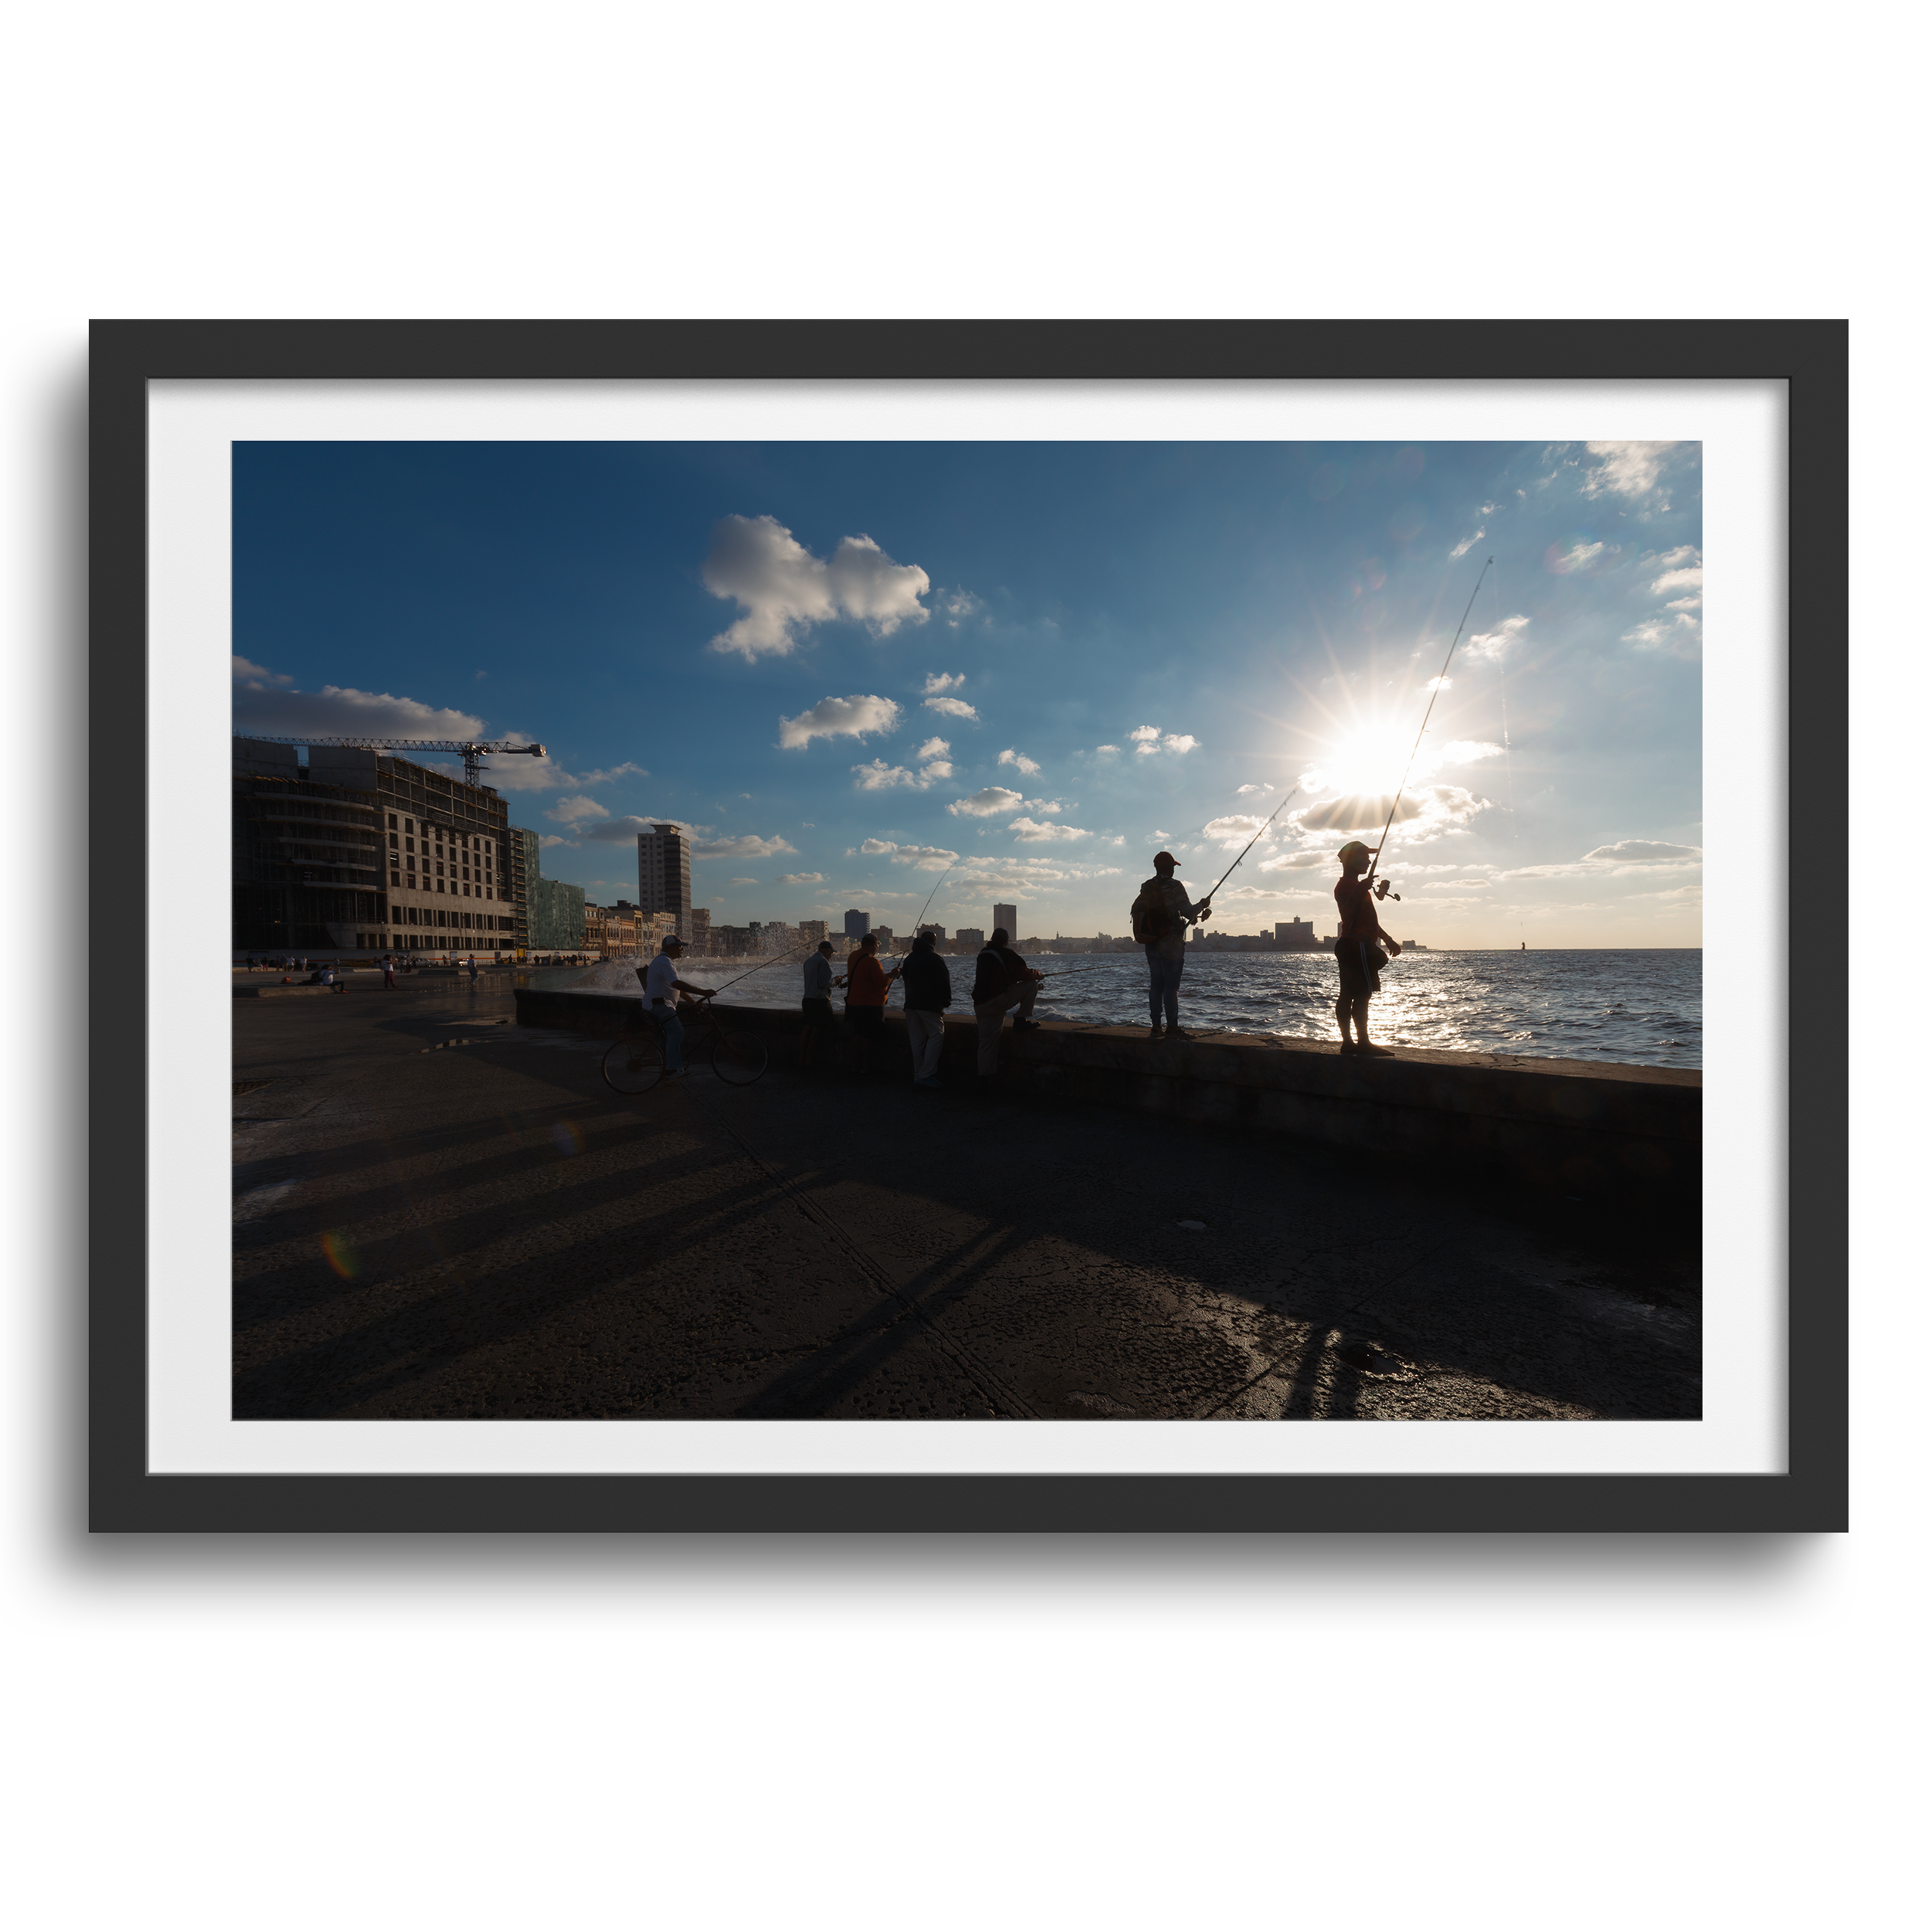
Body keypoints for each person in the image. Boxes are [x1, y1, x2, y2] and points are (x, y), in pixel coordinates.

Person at [1130, 850, 1210, 1040]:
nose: (1174, 871)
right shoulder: (1175, 886)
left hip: (1151, 943)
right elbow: (1189, 912)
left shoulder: (1147, 888)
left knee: (1156, 986)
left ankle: (1156, 1027)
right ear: (1168, 868)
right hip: (1171, 943)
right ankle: (1173, 1028)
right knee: (1171, 987)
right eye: (1173, 867)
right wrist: (1202, 904)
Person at [1333, 840, 1401, 1055]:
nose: (1369, 860)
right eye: (1364, 856)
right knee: (1361, 994)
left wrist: (1388, 938)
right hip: (1356, 944)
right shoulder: (1345, 885)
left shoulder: (1359, 887)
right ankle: (1360, 1043)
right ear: (1351, 860)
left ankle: (1351, 1043)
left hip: (1355, 944)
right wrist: (1360, 890)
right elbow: (1346, 911)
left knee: (1351, 993)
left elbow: (1370, 921)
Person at [971, 925, 1042, 1084]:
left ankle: (985, 1081)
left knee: (986, 1043)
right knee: (1032, 985)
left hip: (980, 1004)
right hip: (997, 1000)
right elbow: (1024, 974)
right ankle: (1020, 1020)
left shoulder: (983, 954)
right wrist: (1038, 975)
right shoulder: (1006, 953)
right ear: (1006, 941)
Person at [638, 932, 712, 1081]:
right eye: (680, 946)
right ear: (671, 947)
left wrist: (694, 1002)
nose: (682, 949)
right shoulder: (665, 961)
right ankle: (672, 1071)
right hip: (659, 1004)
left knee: (664, 1038)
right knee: (676, 1031)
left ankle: (665, 1071)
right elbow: (676, 984)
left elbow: (676, 989)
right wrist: (703, 992)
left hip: (655, 1004)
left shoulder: (663, 961)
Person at [836, 930, 899, 1073]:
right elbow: (881, 982)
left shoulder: (853, 956)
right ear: (873, 945)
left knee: (858, 1035)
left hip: (853, 1003)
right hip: (870, 1006)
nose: (878, 948)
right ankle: (865, 1068)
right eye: (878, 945)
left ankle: (855, 1066)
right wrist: (893, 975)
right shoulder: (873, 961)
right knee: (869, 1037)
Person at [898, 929, 953, 1088]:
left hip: (910, 1005)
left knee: (917, 1040)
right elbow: (944, 983)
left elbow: (906, 978)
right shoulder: (935, 959)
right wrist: (946, 1002)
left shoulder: (909, 959)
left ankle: (918, 1074)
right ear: (933, 943)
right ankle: (927, 1074)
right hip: (928, 1005)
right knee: (937, 1035)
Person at [798, 939, 843, 1069]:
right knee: (817, 1029)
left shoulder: (809, 961)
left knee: (807, 1028)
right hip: (819, 1001)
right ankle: (810, 1060)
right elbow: (824, 983)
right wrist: (836, 980)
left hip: (807, 999)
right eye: (831, 952)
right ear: (827, 950)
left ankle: (802, 1059)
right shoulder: (823, 962)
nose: (832, 955)